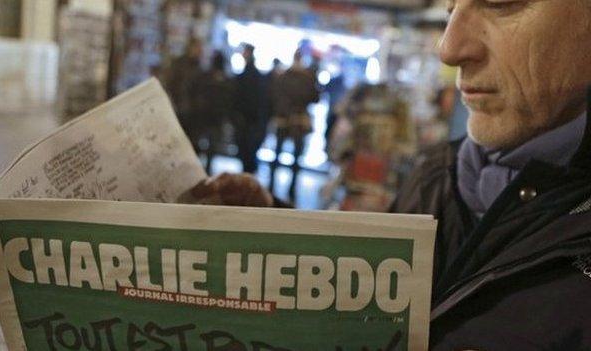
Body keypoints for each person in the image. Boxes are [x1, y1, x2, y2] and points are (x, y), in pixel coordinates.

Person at [188, 0, 591, 349]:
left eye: (501, 3)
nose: (449, 48)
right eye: (451, 8)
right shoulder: (438, 171)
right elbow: (372, 290)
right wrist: (274, 230)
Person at [269, 50, 320, 200]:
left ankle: (271, 184)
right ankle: (292, 188)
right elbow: (315, 97)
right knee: (296, 157)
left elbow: (274, 96)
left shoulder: (283, 75)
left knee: (277, 153)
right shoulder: (308, 77)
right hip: (299, 119)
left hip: (283, 118)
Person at [191, 51, 236, 174]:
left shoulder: (205, 76)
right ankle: (204, 169)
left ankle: (200, 169)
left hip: (206, 116)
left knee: (202, 144)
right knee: (210, 146)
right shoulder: (225, 79)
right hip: (214, 117)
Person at [234, 44, 268, 174]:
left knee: (247, 152)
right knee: (249, 152)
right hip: (252, 120)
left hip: (248, 120)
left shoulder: (247, 76)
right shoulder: (257, 76)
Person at [166, 37, 204, 145]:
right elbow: (171, 84)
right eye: (198, 47)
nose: (200, 51)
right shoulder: (179, 64)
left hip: (192, 113)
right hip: (179, 110)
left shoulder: (198, 66)